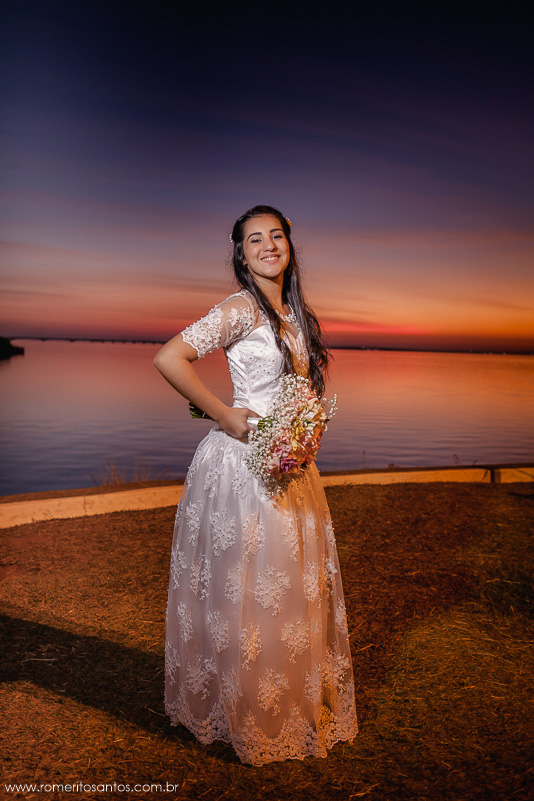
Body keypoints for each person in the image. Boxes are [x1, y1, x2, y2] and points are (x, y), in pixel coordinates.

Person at [153, 205, 357, 765]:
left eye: (276, 236)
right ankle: (245, 710)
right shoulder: (240, 308)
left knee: (286, 582)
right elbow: (170, 357)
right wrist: (221, 412)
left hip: (288, 463)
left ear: (290, 243)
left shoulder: (292, 312)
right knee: (250, 585)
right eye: (254, 240)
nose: (268, 245)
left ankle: (283, 701)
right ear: (240, 254)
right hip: (243, 464)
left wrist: (303, 433)